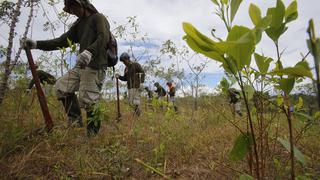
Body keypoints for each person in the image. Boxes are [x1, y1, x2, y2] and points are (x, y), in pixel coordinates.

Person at [23, 0, 111, 136]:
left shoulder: (98, 18)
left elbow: (104, 37)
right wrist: (36, 44)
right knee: (61, 87)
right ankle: (75, 121)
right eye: (70, 9)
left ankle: (92, 135)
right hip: (81, 66)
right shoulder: (79, 25)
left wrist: (90, 51)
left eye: (74, 7)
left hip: (95, 65)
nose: (73, 12)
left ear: (82, 4)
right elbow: (61, 41)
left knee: (88, 98)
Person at [116, 52, 145, 116]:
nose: (124, 63)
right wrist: (119, 77)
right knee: (130, 102)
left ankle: (138, 115)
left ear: (128, 59)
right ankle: (137, 113)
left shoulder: (135, 65)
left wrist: (142, 82)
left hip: (136, 85)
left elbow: (142, 72)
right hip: (129, 87)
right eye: (123, 62)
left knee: (135, 101)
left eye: (124, 61)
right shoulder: (126, 69)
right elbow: (125, 78)